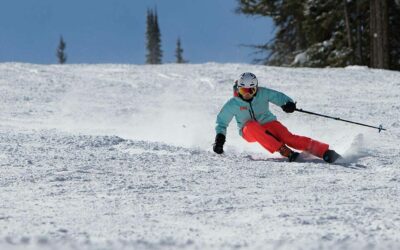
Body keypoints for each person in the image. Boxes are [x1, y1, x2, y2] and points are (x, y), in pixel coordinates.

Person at [213, 72, 341, 163]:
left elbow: (278, 97)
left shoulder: (263, 93)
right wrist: (220, 139)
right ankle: (283, 150)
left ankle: (324, 152)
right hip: (249, 131)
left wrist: (288, 104)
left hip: (268, 123)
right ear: (238, 89)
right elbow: (221, 122)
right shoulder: (233, 104)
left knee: (289, 138)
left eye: (250, 91)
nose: (246, 95)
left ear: (256, 89)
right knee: (251, 125)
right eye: (243, 91)